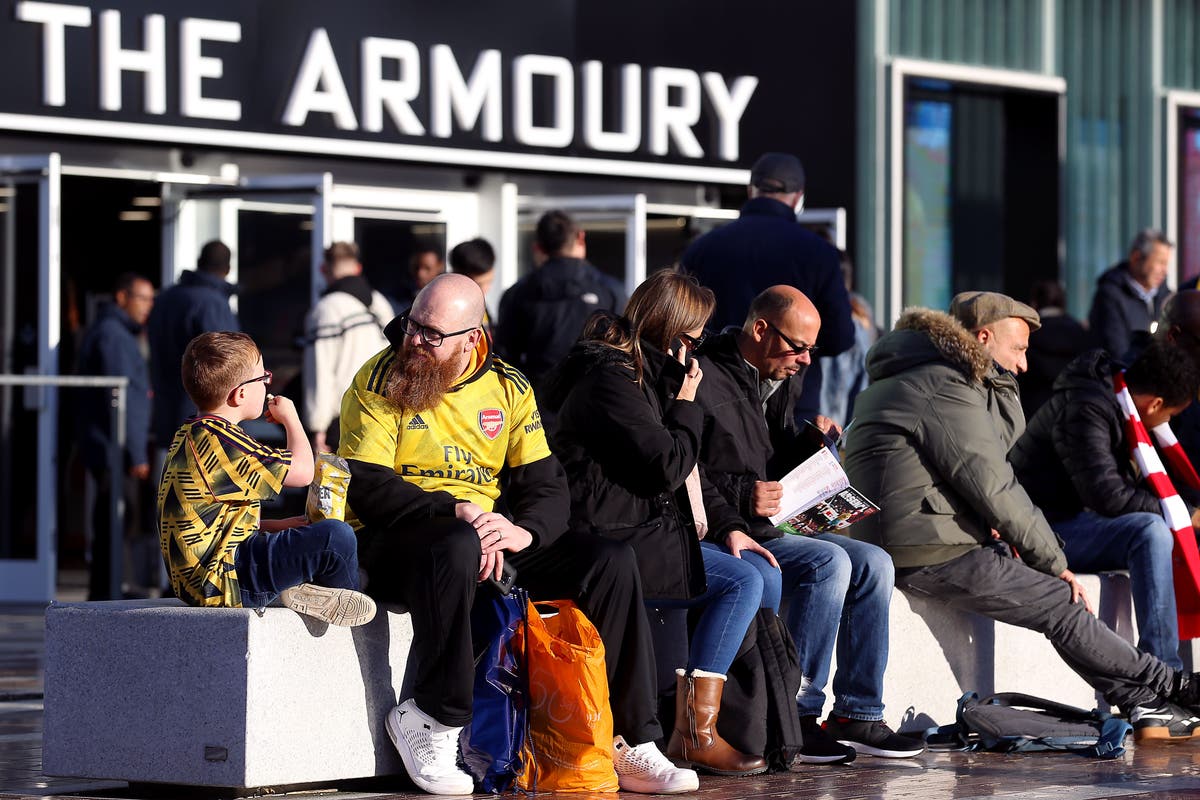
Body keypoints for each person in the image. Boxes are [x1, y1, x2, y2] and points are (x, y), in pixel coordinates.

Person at [338, 273, 698, 795]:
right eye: (411, 324)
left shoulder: (508, 385)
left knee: (611, 561)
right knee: (456, 543)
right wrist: (456, 511)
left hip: (481, 538)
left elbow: (547, 484)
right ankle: (432, 716)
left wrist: (521, 531)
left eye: (431, 334)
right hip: (399, 537)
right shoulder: (380, 377)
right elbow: (366, 483)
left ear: (472, 336)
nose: (413, 341)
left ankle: (633, 739)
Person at [843, 291, 1200, 741]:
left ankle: (1142, 700)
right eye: (1018, 349)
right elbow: (995, 485)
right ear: (984, 337)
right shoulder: (943, 387)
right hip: (929, 546)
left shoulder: (926, 376)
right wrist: (1055, 563)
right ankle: (1172, 683)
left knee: (1056, 601)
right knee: (1059, 601)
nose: (1025, 364)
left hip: (922, 534)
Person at [545, 269, 774, 776]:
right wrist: (687, 402)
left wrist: (729, 521)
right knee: (743, 582)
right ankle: (696, 731)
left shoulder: (640, 375)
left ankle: (751, 722)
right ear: (671, 336)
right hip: (612, 538)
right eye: (694, 341)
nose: (698, 354)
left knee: (764, 576)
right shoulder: (611, 378)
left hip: (643, 532)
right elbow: (669, 463)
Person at [694, 286, 921, 761]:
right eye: (797, 347)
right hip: (726, 531)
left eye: (811, 350)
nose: (805, 361)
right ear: (760, 329)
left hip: (766, 525)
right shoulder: (707, 377)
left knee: (875, 561)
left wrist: (810, 443)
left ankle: (858, 713)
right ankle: (797, 713)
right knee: (829, 561)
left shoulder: (778, 376)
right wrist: (743, 497)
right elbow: (686, 470)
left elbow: (767, 458)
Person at [157, 331, 375, 627]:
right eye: (263, 378)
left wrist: (276, 526)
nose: (267, 385)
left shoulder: (190, 436)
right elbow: (302, 471)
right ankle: (348, 598)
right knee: (337, 538)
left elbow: (209, 517)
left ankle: (315, 592)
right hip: (229, 579)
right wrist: (291, 419)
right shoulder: (225, 443)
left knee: (316, 535)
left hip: (200, 581)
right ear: (240, 394)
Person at [1011, 340, 1200, 668]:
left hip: (1075, 519)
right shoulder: (1087, 406)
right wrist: (1187, 513)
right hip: (1044, 528)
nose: (1167, 425)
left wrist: (1188, 513)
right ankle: (1165, 673)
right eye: (1170, 416)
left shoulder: (1124, 403)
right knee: (1152, 531)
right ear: (1155, 404)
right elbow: (1107, 495)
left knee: (1172, 528)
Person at [681, 152, 855, 422]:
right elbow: (840, 337)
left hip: (714, 399)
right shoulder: (819, 253)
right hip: (792, 407)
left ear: (752, 191)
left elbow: (681, 324)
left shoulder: (703, 248)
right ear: (798, 197)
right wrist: (796, 346)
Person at [75, 272, 155, 600]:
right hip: (115, 446)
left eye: (151, 300)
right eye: (142, 299)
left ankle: (107, 589)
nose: (148, 307)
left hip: (112, 444)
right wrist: (136, 453)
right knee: (116, 517)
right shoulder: (113, 335)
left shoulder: (115, 332)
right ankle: (112, 589)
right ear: (122, 297)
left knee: (115, 516)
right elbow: (123, 398)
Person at [495, 209, 626, 391]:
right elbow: (624, 353)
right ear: (580, 237)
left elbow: (505, 360)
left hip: (537, 403)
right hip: (595, 401)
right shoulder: (611, 290)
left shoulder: (518, 293)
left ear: (538, 248)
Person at [301, 241, 394, 452]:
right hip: (382, 413)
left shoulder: (327, 309)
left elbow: (320, 369)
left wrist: (317, 427)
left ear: (323, 269)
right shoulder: (381, 303)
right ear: (358, 268)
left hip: (341, 419)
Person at [148, 240, 239, 456]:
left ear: (199, 262)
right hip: (202, 414)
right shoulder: (213, 303)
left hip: (165, 406)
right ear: (227, 270)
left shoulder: (164, 299)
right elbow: (228, 362)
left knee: (171, 482)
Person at [1088, 229, 1173, 359]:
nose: (1164, 271)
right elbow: (1117, 351)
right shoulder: (1110, 295)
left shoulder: (1168, 298)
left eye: (1166, 264)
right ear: (1136, 257)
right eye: (1160, 262)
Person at [1019, 279, 1092, 419]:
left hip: (1034, 413)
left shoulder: (1028, 333)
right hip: (1072, 410)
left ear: (1034, 303)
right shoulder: (1080, 332)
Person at [448, 237, 497, 334]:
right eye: (479, 284)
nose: (485, 290)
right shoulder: (446, 313)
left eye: (489, 282)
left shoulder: (481, 307)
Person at [390, 245, 446, 313]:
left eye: (427, 268)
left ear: (440, 266)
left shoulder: (448, 296)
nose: (420, 274)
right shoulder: (398, 296)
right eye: (416, 267)